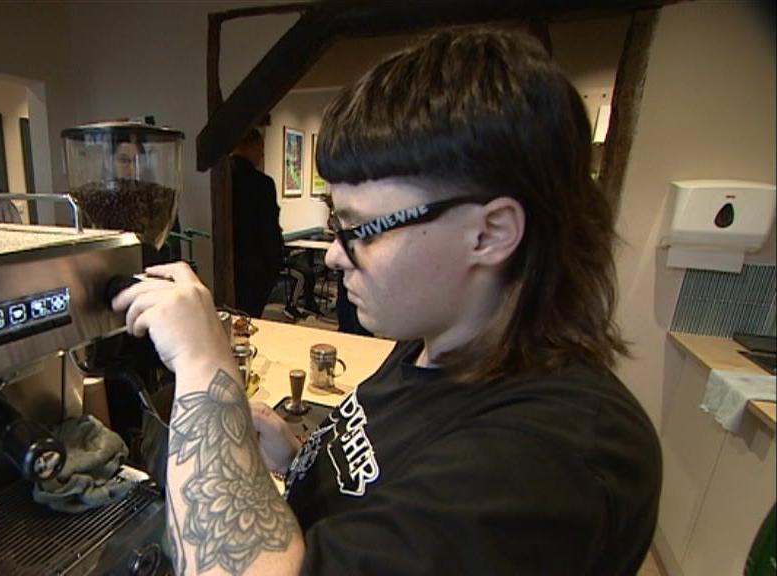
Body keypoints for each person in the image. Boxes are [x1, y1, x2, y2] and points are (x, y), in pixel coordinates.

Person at [110, 26, 661, 575]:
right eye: (335, 223)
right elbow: (379, 476)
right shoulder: (439, 342)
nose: (334, 255)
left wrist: (205, 367)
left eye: (363, 229)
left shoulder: (543, 465)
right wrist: (300, 455)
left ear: (491, 233)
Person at [230, 128, 284, 318]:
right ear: (250, 147)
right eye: (260, 148)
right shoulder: (262, 184)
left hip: (231, 264)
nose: (262, 155)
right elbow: (268, 229)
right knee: (251, 318)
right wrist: (276, 263)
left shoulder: (221, 178)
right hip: (256, 267)